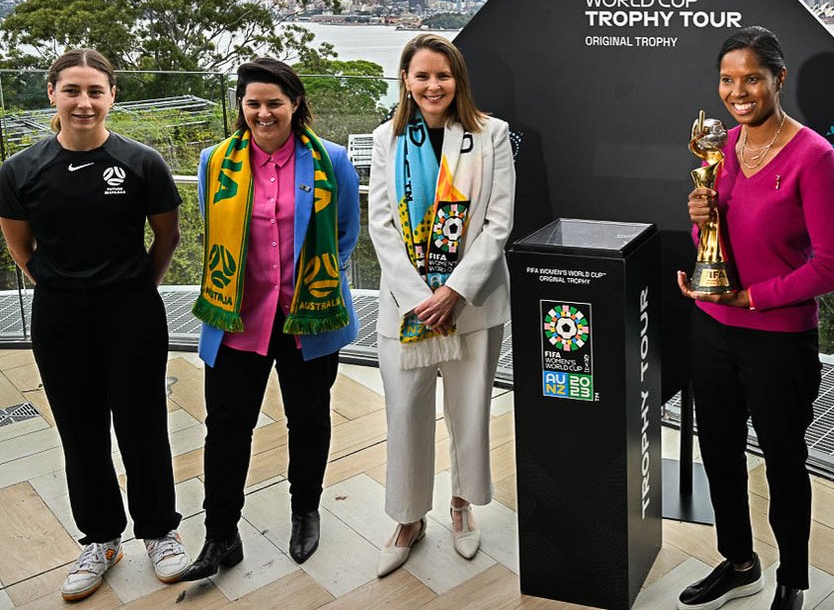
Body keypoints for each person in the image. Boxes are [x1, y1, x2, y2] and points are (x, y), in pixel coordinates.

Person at [676, 26, 834, 610]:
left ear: (779, 78)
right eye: (728, 79)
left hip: (777, 339)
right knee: (718, 450)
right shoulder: (721, 148)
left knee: (783, 460)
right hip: (711, 327)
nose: (738, 90)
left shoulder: (813, 155)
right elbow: (720, 241)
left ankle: (793, 580)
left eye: (751, 77)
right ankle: (739, 561)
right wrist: (700, 217)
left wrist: (751, 299)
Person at [0, 49, 189, 601]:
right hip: (60, 317)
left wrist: (132, 285)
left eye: (95, 91)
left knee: (143, 423)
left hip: (131, 311)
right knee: (79, 431)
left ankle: (159, 531)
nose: (84, 102)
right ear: (52, 94)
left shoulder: (141, 162)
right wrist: (58, 284)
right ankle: (101, 539)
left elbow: (167, 237)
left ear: (112, 96)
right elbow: (20, 245)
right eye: (72, 90)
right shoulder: (20, 170)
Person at [180, 57, 360, 580]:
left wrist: (311, 288)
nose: (263, 113)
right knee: (226, 428)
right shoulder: (216, 161)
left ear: (295, 103)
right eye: (253, 103)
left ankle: (305, 510)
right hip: (238, 317)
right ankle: (220, 535)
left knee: (308, 420)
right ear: (241, 106)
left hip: (311, 317)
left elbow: (345, 233)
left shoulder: (333, 160)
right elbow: (213, 228)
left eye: (273, 103)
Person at [370, 33, 514, 577]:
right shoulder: (386, 139)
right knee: (405, 411)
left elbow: (499, 221)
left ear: (459, 80)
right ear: (405, 80)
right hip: (405, 307)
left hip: (471, 304)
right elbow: (380, 224)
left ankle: (461, 505)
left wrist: (454, 290)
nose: (433, 85)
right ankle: (408, 517)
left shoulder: (491, 135)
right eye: (422, 75)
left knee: (469, 409)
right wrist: (418, 297)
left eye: (443, 75)